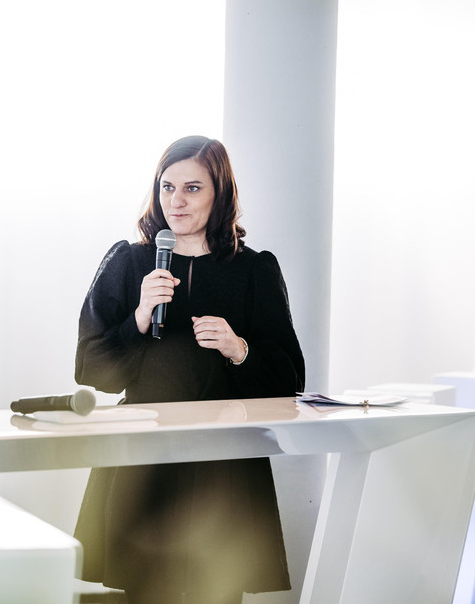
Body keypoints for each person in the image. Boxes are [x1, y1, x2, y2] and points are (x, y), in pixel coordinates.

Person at [73, 136, 304, 604]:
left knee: (217, 590)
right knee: (143, 592)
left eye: (192, 188)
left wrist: (238, 349)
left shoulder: (254, 270)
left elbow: (290, 381)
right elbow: (91, 369)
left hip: (225, 461)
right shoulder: (130, 261)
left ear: (220, 194)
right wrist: (139, 317)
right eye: (167, 187)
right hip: (144, 458)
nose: (176, 200)